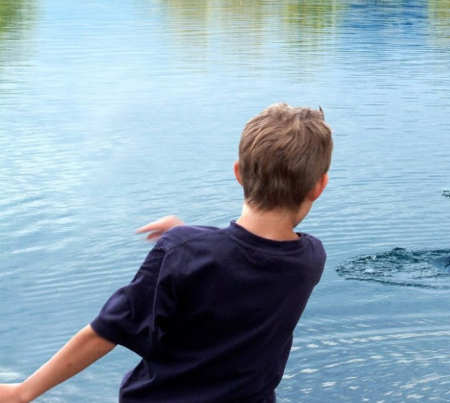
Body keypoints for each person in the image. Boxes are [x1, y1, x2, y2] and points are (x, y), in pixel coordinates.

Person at [0, 103, 333, 403]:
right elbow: (246, 257)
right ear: (319, 186)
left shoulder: (182, 252)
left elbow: (107, 331)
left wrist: (22, 392)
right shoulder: (311, 259)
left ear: (239, 173)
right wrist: (188, 237)